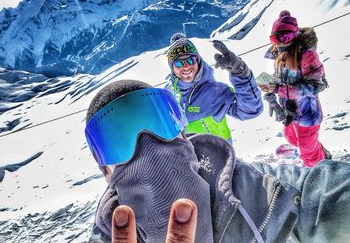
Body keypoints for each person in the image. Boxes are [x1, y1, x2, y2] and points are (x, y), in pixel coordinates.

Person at [86, 79, 350, 243]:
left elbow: (328, 195)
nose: (148, 144)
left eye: (159, 122)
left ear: (182, 133)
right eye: (117, 141)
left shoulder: (265, 189)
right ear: (106, 172)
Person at [259, 10, 330, 167]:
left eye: (286, 37)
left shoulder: (307, 56)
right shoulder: (280, 56)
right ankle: (317, 151)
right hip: (290, 111)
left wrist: (279, 89)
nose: (281, 42)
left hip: (306, 114)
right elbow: (283, 77)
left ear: (296, 35)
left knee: (308, 152)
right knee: (291, 137)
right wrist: (270, 90)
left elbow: (314, 87)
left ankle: (321, 170)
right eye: (276, 38)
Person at [165, 33, 263, 142]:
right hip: (181, 158)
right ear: (172, 68)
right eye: (179, 63)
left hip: (220, 157)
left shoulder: (216, 92)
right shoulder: (168, 95)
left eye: (190, 60)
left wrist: (240, 73)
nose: (186, 66)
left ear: (198, 62)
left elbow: (251, 110)